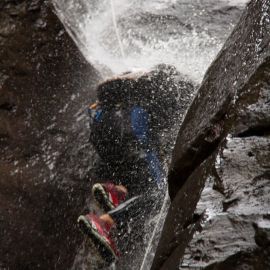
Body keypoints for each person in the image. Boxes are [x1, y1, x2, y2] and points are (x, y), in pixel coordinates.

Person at [77, 65, 183, 264]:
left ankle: (117, 192)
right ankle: (105, 223)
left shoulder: (110, 96)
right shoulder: (152, 88)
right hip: (130, 136)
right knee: (160, 192)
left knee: (137, 173)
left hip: (105, 135)